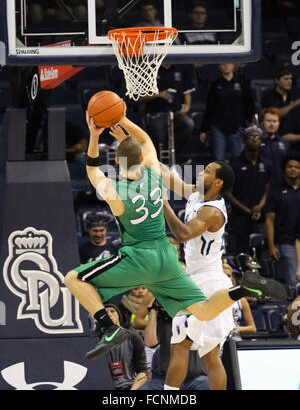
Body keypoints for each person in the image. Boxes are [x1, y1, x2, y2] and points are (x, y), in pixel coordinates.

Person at [64, 109, 287, 363]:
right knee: (202, 311)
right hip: (167, 258)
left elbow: (93, 171)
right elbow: (147, 140)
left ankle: (108, 328)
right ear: (142, 159)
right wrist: (123, 120)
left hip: (139, 256)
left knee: (73, 278)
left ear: (116, 162)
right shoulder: (154, 175)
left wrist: (94, 136)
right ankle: (242, 289)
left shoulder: (116, 190)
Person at [160, 161, 235, 390]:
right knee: (210, 355)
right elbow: (168, 176)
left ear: (217, 182)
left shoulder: (211, 211)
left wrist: (162, 203)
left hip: (205, 282)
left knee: (181, 345)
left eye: (208, 171)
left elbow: (182, 234)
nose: (201, 173)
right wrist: (146, 158)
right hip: (209, 281)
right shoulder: (196, 194)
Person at [138, 295, 210, 390]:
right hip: (164, 379)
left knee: (208, 386)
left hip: (196, 378)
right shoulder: (162, 321)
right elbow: (150, 342)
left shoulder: (194, 318)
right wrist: (153, 311)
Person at [225, 124, 272, 254]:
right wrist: (247, 210)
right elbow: (227, 193)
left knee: (262, 252)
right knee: (242, 252)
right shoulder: (234, 164)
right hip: (240, 216)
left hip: (261, 214)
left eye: (258, 137)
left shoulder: (267, 164)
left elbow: (268, 188)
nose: (255, 140)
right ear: (244, 140)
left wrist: (259, 206)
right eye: (251, 137)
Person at [140, 62, 197, 164]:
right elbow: (141, 96)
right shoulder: (150, 69)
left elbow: (187, 92)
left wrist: (187, 105)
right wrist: (159, 94)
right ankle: (160, 160)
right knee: (160, 136)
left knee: (189, 124)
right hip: (156, 112)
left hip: (176, 112)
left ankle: (174, 155)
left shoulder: (180, 68)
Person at [200, 63, 255, 161]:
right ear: (219, 66)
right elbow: (210, 108)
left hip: (238, 126)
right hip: (218, 125)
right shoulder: (215, 84)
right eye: (223, 64)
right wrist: (203, 129)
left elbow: (249, 106)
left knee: (239, 158)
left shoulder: (242, 83)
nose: (226, 66)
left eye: (229, 63)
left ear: (234, 66)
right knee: (218, 159)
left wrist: (251, 125)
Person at [265, 151, 300, 287]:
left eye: (297, 167)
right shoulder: (275, 192)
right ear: (284, 169)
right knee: (293, 283)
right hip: (286, 241)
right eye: (290, 166)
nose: (293, 169)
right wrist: (271, 245)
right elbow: (269, 220)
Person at [101, 302, 148, 390]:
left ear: (119, 315)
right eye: (105, 312)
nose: (109, 314)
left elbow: (143, 372)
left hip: (130, 385)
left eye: (112, 311)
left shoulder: (133, 338)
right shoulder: (95, 340)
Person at [261, 67, 300, 149]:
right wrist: (295, 104)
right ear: (277, 80)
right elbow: (276, 115)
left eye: (290, 79)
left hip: (295, 134)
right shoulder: (268, 97)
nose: (289, 81)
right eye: (286, 79)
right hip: (276, 136)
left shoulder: (295, 95)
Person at [222, 263, 257, 340]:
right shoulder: (210, 298)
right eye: (223, 276)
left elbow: (252, 328)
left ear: (232, 278)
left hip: (235, 343)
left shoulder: (241, 300)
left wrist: (237, 329)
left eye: (228, 275)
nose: (226, 278)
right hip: (215, 344)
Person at [260, 107, 290, 186]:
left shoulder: (285, 144)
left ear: (279, 123)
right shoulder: (256, 143)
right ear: (262, 122)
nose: (271, 124)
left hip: (281, 185)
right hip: (261, 185)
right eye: (268, 121)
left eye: (275, 121)